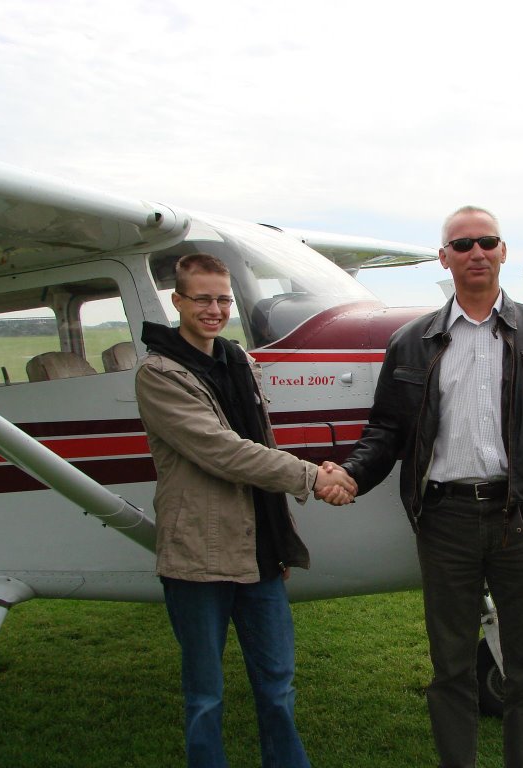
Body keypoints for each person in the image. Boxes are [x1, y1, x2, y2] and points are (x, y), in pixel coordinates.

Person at [329, 206, 523, 768]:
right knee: (450, 670)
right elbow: (387, 431)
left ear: (502, 251)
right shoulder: (412, 341)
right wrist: (351, 473)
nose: (476, 252)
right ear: (444, 258)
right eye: (462, 244)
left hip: (521, 522)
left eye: (486, 242)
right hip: (444, 521)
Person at [134, 252, 356, 768]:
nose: (214, 310)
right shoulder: (160, 374)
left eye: (223, 300)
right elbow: (222, 451)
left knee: (278, 687)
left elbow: (259, 439)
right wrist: (313, 476)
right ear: (179, 301)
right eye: (203, 299)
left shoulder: (238, 361)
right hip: (199, 557)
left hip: (261, 551)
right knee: (205, 695)